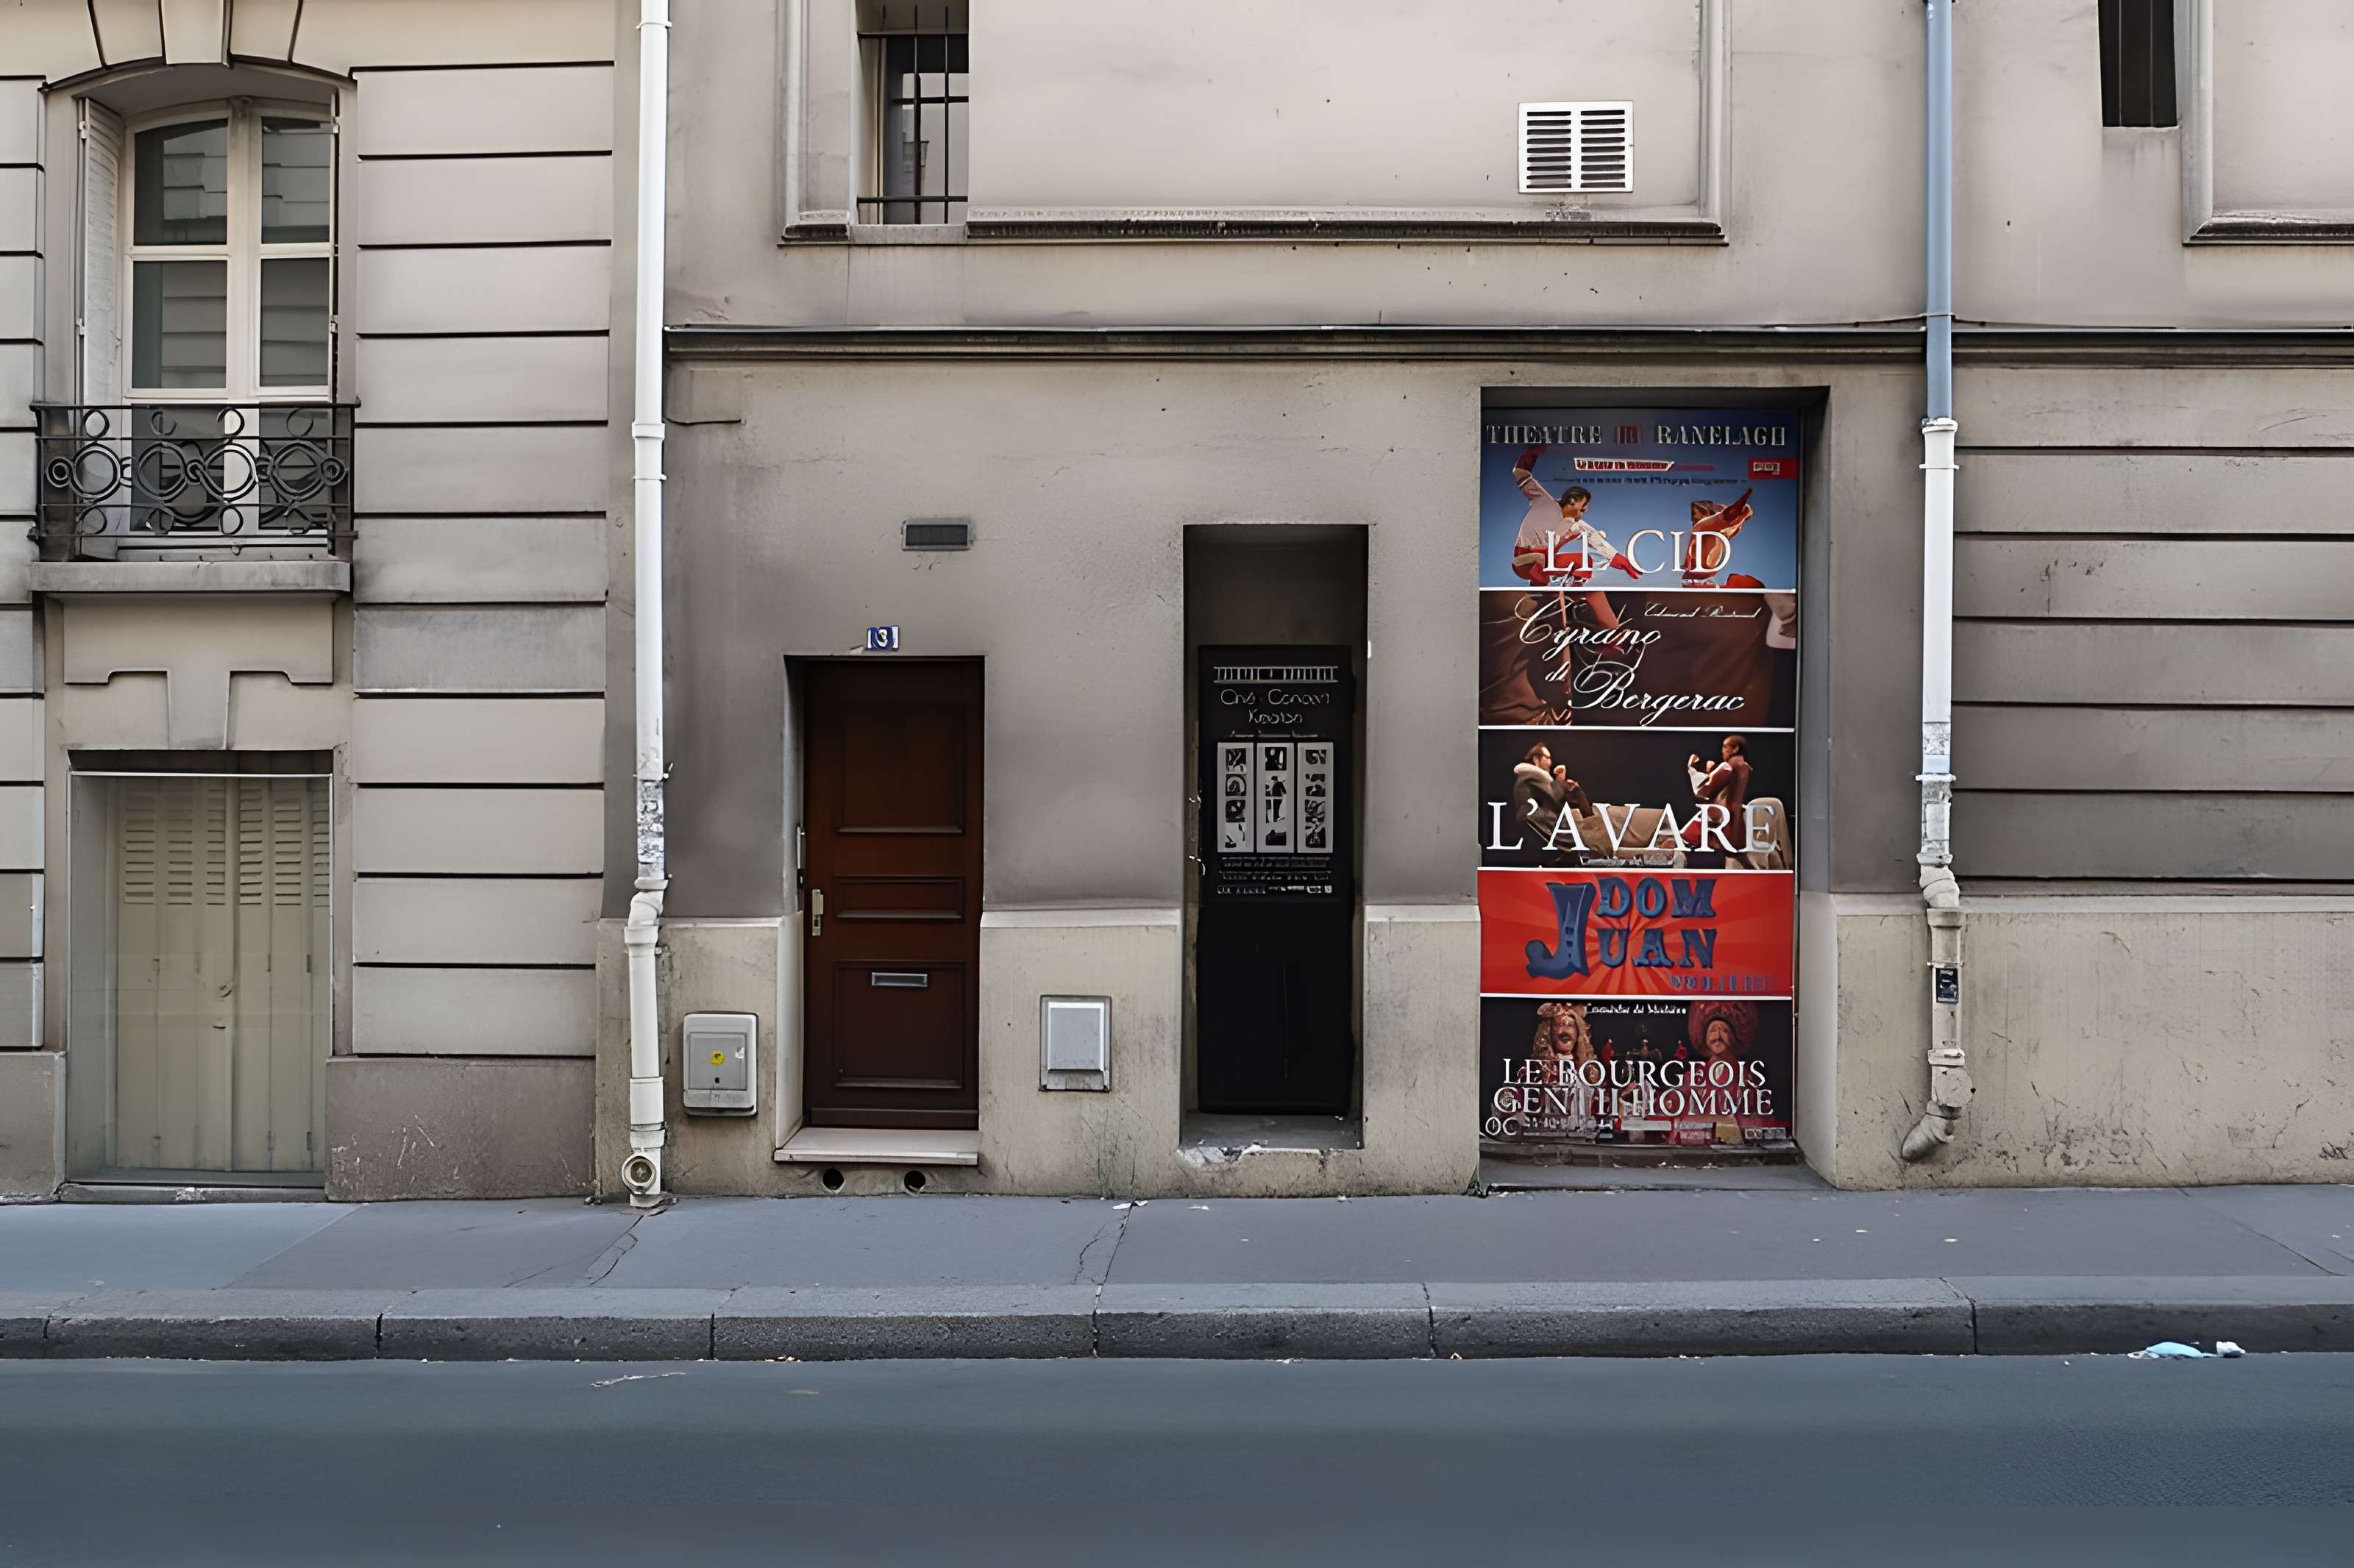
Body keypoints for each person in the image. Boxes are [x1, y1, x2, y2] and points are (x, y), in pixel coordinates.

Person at [1510, 445, 1640, 585]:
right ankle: (1540, 587)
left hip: (1546, 563)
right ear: (1573, 502)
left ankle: (1572, 592)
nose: (1586, 511)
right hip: (1523, 561)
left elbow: (1597, 540)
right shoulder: (1543, 501)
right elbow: (1521, 474)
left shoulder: (1575, 525)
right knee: (1540, 559)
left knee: (1586, 561)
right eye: (1583, 508)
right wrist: (1532, 453)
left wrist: (1621, 560)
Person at [1680, 733, 1753, 866]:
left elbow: (1702, 792)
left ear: (1735, 749)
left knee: (1684, 840)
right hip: (1736, 820)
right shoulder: (1745, 767)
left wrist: (1692, 770)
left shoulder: (1726, 767)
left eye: (1725, 747)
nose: (1723, 751)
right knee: (1740, 858)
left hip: (1717, 817)